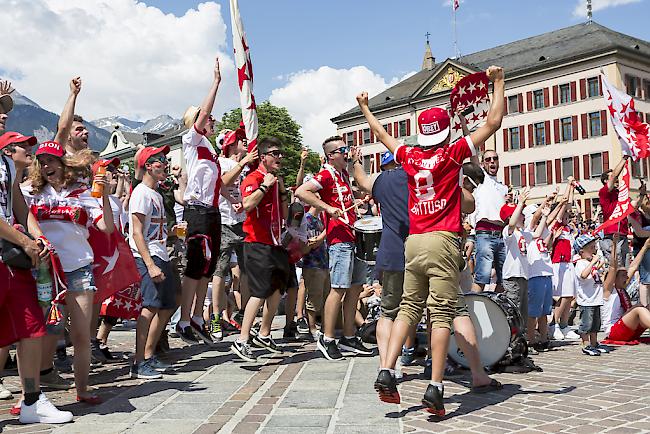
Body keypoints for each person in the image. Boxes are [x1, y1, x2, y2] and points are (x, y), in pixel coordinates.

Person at [356, 64, 505, 416]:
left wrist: (365, 107)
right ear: (446, 131)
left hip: (415, 242)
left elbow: (380, 134)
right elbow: (494, 122)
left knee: (408, 307)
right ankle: (436, 387)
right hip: (442, 240)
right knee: (440, 315)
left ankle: (386, 369)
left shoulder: (408, 156)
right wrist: (498, 82)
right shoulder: (451, 154)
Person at [353, 148, 501, 396]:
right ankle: (474, 374)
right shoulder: (436, 177)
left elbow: (362, 181)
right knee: (452, 311)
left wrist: (356, 161)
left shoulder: (384, 179)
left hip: (392, 253)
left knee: (390, 313)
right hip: (432, 250)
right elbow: (468, 203)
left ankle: (387, 368)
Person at [0, 131, 73, 424]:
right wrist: (25, 241)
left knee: (31, 328)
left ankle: (31, 400)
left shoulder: (6, 164)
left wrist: (39, 239)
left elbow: (18, 204)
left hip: (12, 260)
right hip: (10, 252)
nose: (3, 115)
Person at [295, 137, 372, 360]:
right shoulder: (327, 174)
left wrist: (358, 198)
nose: (347, 152)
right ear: (331, 155)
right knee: (338, 289)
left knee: (355, 288)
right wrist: (327, 208)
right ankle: (327, 338)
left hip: (353, 234)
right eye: (343, 150)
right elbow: (301, 191)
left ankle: (349, 336)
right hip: (339, 239)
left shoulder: (343, 174)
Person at [177, 57, 224, 345]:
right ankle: (183, 319)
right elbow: (205, 111)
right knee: (195, 266)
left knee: (208, 266)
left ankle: (196, 317)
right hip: (196, 210)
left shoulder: (211, 148)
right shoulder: (191, 142)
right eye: (207, 118)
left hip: (212, 211)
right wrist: (216, 82)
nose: (213, 120)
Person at [230, 137, 290, 362]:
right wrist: (265, 184)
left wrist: (282, 190)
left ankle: (264, 333)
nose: (279, 157)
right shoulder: (253, 178)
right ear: (263, 156)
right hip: (255, 242)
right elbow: (247, 204)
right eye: (274, 153)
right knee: (259, 291)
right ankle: (242, 339)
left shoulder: (274, 180)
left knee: (276, 289)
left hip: (274, 242)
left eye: (280, 153)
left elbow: (283, 215)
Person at [129, 145, 178, 379]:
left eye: (165, 159)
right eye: (160, 160)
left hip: (161, 252)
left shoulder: (156, 194)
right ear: (148, 165)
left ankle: (149, 355)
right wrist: (150, 264)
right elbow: (136, 232)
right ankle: (138, 362)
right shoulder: (141, 193)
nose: (165, 164)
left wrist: (172, 232)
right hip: (147, 256)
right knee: (150, 307)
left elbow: (153, 230)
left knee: (167, 305)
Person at [210, 128, 257, 341]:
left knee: (246, 271)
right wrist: (232, 200)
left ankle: (245, 315)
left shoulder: (244, 165)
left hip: (241, 222)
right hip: (225, 222)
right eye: (240, 139)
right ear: (230, 144)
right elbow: (222, 184)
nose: (244, 141)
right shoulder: (222, 162)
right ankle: (215, 317)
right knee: (220, 270)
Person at [470, 149, 509, 292]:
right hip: (485, 232)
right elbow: (472, 152)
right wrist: (463, 126)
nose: (492, 161)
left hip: (501, 234)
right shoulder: (482, 179)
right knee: (482, 276)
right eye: (488, 159)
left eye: (495, 159)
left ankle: (497, 310)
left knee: (504, 279)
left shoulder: (503, 187)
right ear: (482, 163)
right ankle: (472, 310)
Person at [603, 236, 650, 341]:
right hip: (614, 332)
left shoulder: (622, 288)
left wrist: (645, 247)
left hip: (628, 330)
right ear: (614, 278)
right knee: (638, 309)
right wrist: (614, 245)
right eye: (623, 275)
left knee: (646, 307)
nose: (627, 277)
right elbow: (613, 267)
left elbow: (633, 267)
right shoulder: (609, 290)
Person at [500, 186, 532, 336]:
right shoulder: (508, 231)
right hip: (512, 277)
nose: (523, 216)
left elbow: (537, 233)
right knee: (514, 311)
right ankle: (512, 340)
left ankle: (521, 340)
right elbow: (512, 224)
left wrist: (545, 214)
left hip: (523, 277)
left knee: (523, 312)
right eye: (520, 214)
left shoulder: (523, 233)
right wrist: (519, 203)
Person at [598, 155, 632, 266]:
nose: (617, 179)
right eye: (613, 178)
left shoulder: (620, 194)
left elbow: (632, 206)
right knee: (615, 269)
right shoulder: (604, 192)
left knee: (624, 271)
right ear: (605, 181)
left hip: (623, 235)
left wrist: (641, 195)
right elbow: (614, 175)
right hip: (612, 236)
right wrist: (624, 158)